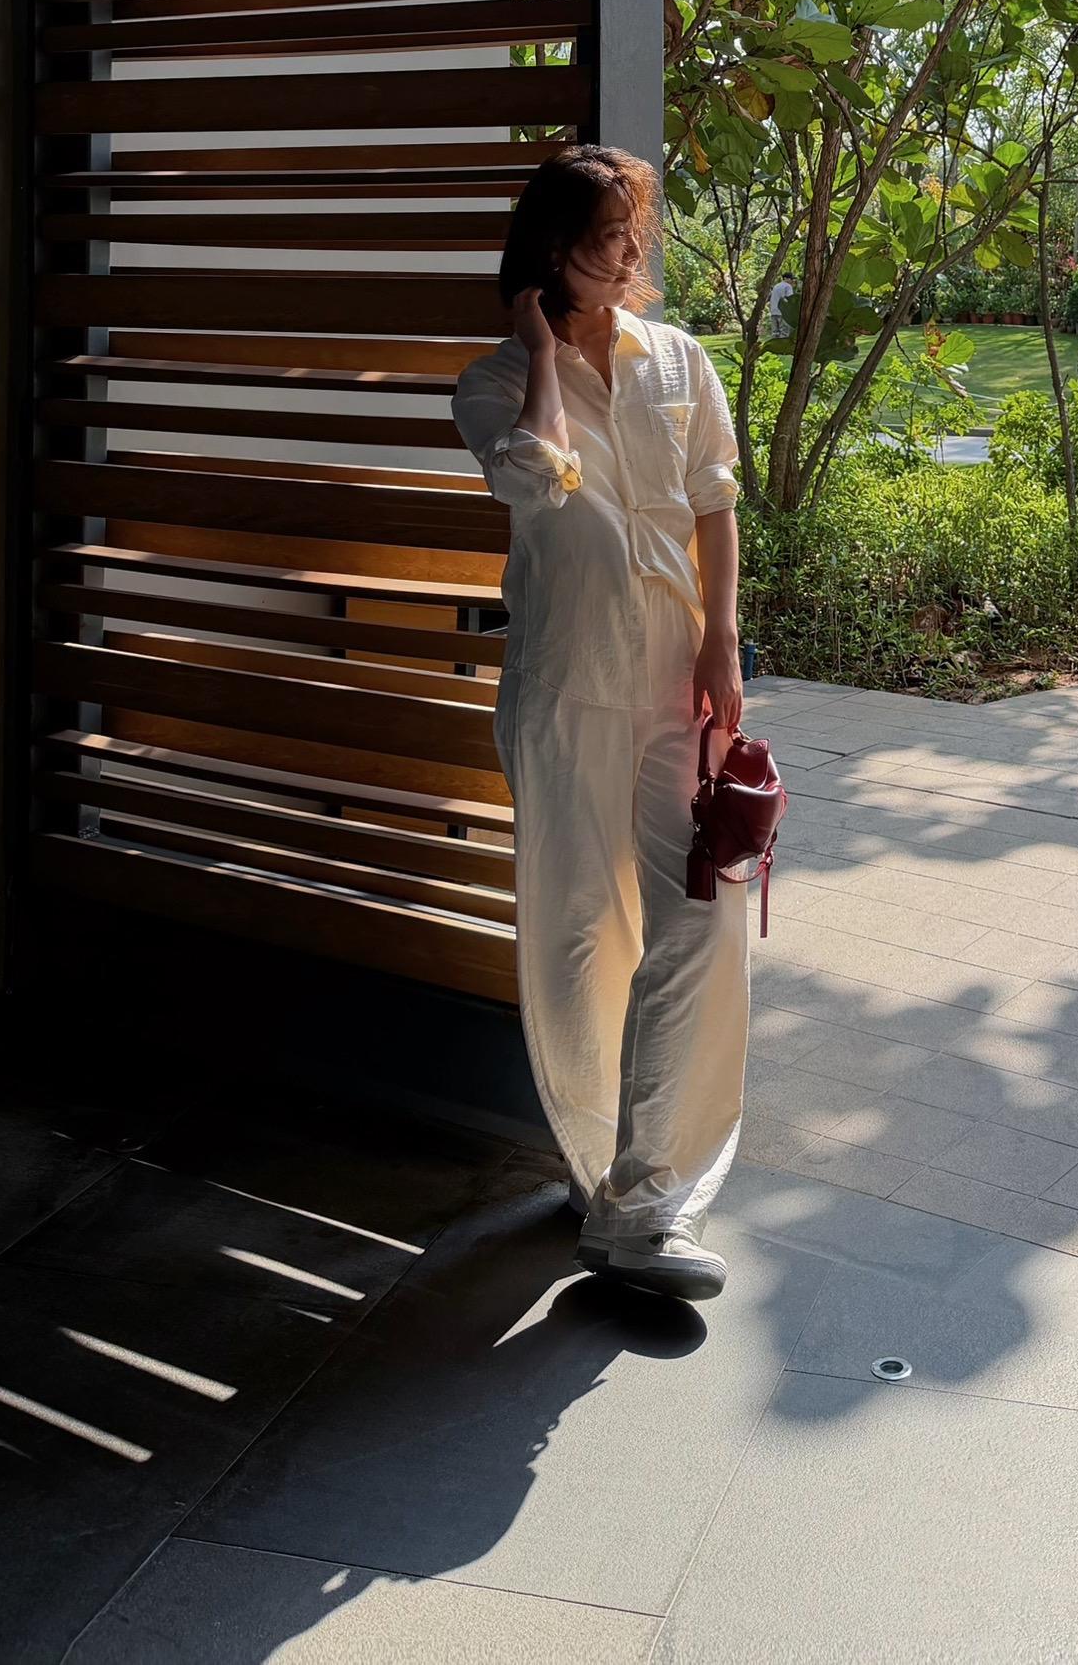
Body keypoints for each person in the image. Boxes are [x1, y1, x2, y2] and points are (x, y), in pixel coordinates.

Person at [453, 144, 749, 1302]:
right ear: (548, 250)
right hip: (564, 689)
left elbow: (715, 500)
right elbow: (533, 479)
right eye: (602, 240)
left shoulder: (678, 359)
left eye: (633, 235)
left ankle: (646, 1196)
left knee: (701, 915)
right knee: (579, 937)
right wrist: (540, 353)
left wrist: (724, 639)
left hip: (676, 682)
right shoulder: (490, 380)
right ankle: (606, 1179)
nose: (629, 257)